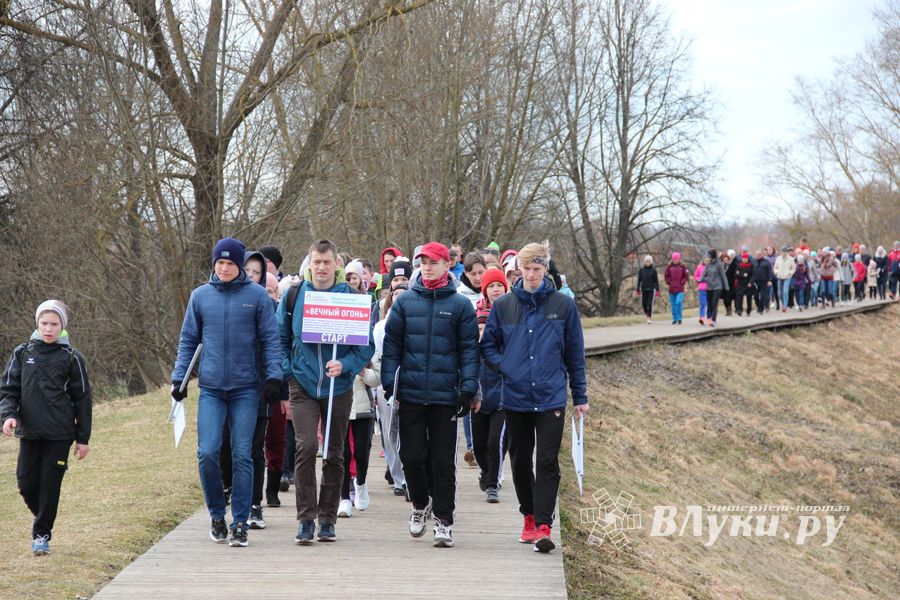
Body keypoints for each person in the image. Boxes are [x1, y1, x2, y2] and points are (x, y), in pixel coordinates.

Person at [171, 237, 283, 548]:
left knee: (242, 453)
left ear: (239, 265)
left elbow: (271, 341)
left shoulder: (257, 298)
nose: (224, 268)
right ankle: (217, 514)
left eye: (230, 263)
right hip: (211, 388)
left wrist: (274, 377)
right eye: (220, 263)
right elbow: (187, 341)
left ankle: (240, 522)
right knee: (207, 452)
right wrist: (179, 380)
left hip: (247, 388)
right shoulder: (200, 297)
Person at [481, 242, 588, 554]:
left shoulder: (563, 306)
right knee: (519, 459)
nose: (530, 275)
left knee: (546, 460)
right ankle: (528, 515)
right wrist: (506, 366)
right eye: (526, 269)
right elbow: (488, 346)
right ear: (518, 269)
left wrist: (580, 395)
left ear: (545, 269)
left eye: (537, 269)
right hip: (515, 396)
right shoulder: (504, 306)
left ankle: (544, 524)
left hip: (551, 395)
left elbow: (574, 353)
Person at [381, 242, 480, 549]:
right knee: (411, 457)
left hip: (444, 396)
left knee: (441, 461)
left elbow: (469, 351)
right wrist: (389, 381)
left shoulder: (461, 305)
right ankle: (420, 504)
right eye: (423, 261)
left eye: (433, 262)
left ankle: (444, 519)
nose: (427, 266)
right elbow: (392, 345)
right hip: (409, 393)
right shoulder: (405, 302)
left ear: (446, 265)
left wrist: (468, 388)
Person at [276, 239, 375, 545]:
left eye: (326, 262)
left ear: (336, 265)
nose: (321, 267)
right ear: (309, 264)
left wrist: (344, 364)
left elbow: (365, 346)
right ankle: (306, 518)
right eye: (316, 262)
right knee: (306, 448)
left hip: (339, 386)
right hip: (303, 385)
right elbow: (279, 338)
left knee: (334, 452)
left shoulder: (353, 297)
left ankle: (327, 519)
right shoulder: (294, 296)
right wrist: (288, 371)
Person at [1, 300, 92, 556]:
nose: (48, 328)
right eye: (44, 323)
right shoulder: (22, 353)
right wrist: (8, 416)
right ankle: (42, 514)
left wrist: (82, 438)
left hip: (59, 435)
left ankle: (41, 535)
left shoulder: (73, 358)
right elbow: (8, 390)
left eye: (54, 324)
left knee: (49, 485)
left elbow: (82, 400)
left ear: (62, 326)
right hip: (29, 432)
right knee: (26, 484)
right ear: (37, 324)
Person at [472, 267, 509, 503]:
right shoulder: (475, 315)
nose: (496, 290)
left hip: (504, 391)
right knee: (478, 447)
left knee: (496, 441)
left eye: (499, 285)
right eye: (491, 286)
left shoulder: (512, 314)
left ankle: (493, 483)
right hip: (478, 392)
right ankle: (486, 471)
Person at [372, 283, 409, 498]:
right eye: (396, 294)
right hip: (385, 386)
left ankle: (409, 475)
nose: (399, 298)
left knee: (410, 432)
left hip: (410, 384)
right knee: (389, 432)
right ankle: (398, 477)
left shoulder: (415, 325)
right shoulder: (380, 327)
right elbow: (376, 359)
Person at [337, 355, 380, 518]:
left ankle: (360, 483)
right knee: (343, 453)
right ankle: (345, 498)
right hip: (339, 404)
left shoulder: (366, 345)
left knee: (362, 452)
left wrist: (363, 372)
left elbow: (377, 378)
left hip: (363, 406)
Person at [700, 249, 728, 326]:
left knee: (714, 304)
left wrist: (726, 287)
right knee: (709, 303)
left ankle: (714, 320)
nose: (707, 258)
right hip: (709, 287)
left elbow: (723, 276)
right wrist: (700, 280)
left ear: (712, 257)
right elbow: (704, 274)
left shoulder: (719, 264)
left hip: (717, 287)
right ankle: (709, 319)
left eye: (708, 256)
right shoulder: (708, 264)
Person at [664, 252, 689, 325]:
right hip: (672, 288)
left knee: (678, 302)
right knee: (673, 304)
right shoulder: (669, 267)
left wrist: (682, 282)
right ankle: (674, 318)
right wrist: (669, 282)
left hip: (680, 288)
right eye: (674, 259)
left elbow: (686, 276)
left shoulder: (683, 266)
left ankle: (679, 318)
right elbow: (666, 276)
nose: (675, 260)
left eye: (676, 259)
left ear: (679, 259)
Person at [635, 255, 659, 324]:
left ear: (651, 262)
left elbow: (656, 281)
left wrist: (657, 290)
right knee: (644, 304)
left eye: (649, 261)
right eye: (646, 261)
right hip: (643, 289)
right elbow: (639, 280)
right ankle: (646, 313)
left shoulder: (654, 270)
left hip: (651, 289)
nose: (647, 263)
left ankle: (649, 317)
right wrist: (637, 289)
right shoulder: (641, 270)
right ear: (644, 262)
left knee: (649, 304)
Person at [751, 250, 773, 315]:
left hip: (764, 281)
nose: (759, 255)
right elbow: (751, 272)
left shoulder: (766, 262)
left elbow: (770, 272)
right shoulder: (753, 262)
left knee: (763, 296)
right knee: (755, 296)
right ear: (756, 255)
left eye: (760, 254)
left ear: (762, 255)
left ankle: (761, 309)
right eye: (758, 254)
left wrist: (769, 280)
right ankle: (758, 306)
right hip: (755, 282)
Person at [775, 246, 796, 312]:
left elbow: (793, 268)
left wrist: (790, 273)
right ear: (781, 252)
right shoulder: (778, 258)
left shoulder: (791, 259)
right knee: (780, 293)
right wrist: (777, 272)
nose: (784, 253)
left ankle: (785, 306)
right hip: (780, 277)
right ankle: (783, 303)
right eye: (783, 251)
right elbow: (775, 267)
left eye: (786, 251)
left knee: (785, 291)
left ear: (787, 252)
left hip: (787, 277)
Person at [733, 252, 754, 316]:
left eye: (746, 258)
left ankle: (749, 310)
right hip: (741, 283)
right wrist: (742, 275)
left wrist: (751, 282)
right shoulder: (739, 265)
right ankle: (739, 310)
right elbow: (736, 274)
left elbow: (753, 275)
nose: (744, 259)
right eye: (743, 258)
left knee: (749, 297)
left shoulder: (751, 266)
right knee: (740, 297)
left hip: (748, 283)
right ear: (741, 259)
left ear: (748, 259)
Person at [694, 256, 709, 324]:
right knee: (703, 304)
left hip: (710, 288)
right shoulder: (699, 267)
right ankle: (702, 318)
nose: (706, 262)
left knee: (709, 304)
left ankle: (709, 318)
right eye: (705, 260)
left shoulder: (711, 268)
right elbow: (696, 276)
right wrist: (700, 279)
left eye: (707, 261)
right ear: (703, 260)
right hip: (702, 288)